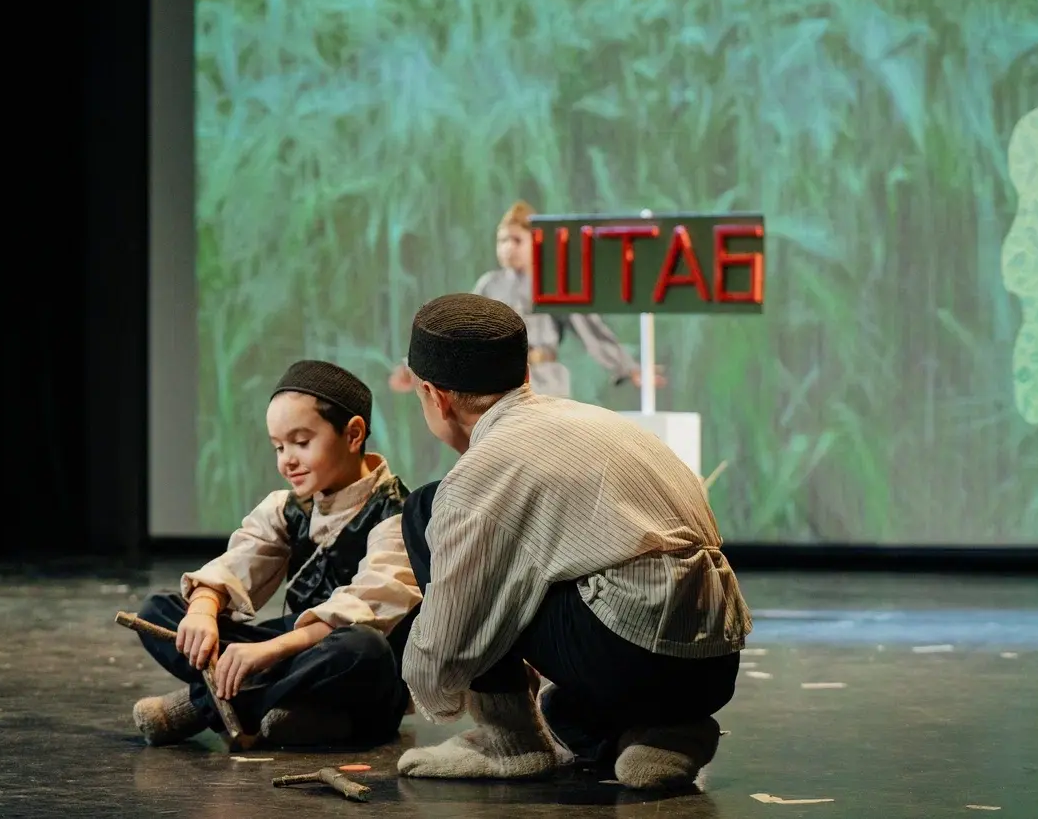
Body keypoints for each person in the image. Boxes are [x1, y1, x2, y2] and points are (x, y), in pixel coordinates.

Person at [394, 293, 751, 789]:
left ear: (434, 395)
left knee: (425, 509)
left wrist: (427, 687)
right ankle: (668, 731)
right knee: (563, 711)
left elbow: (453, 631)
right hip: (714, 669)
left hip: (629, 660)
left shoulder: (483, 471)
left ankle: (509, 743)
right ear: (525, 374)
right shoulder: (597, 421)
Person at [130, 360, 421, 749]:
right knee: (158, 612)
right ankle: (285, 709)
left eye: (301, 442)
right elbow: (239, 562)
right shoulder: (288, 507)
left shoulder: (398, 514)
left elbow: (368, 608)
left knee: (362, 647)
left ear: (353, 434)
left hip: (357, 673)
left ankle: (200, 706)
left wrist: (268, 652)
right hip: (295, 654)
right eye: (279, 447)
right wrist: (202, 610)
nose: (287, 460)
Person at [390, 200, 664, 398]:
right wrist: (416, 367)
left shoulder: (552, 282)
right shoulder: (490, 284)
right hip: (500, 382)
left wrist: (629, 368)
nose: (508, 248)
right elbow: (460, 333)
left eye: (516, 240)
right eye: (502, 240)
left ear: (535, 241)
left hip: (545, 380)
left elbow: (590, 329)